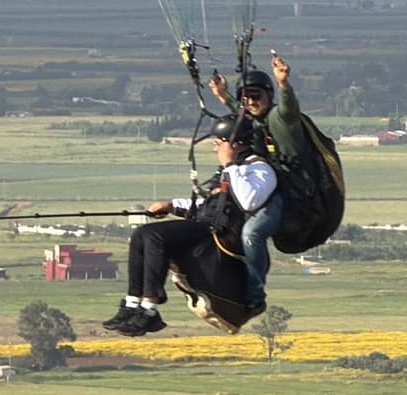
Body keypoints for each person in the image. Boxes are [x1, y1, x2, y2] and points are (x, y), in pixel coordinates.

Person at [102, 114, 278, 336]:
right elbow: (212, 202)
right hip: (206, 223)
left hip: (222, 233)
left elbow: (248, 201)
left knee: (155, 237)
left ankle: (149, 310)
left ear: (234, 144)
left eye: (218, 143)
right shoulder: (232, 168)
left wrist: (230, 164)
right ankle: (132, 303)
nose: (216, 149)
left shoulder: (261, 170)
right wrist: (172, 206)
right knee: (141, 234)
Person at [209, 53, 312, 315]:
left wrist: (284, 84)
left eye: (257, 96)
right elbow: (244, 112)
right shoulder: (254, 121)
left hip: (288, 192)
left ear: (269, 96)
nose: (252, 101)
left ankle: (255, 294)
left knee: (252, 233)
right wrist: (223, 96)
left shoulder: (281, 118)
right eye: (247, 96)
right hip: (262, 181)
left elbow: (289, 109)